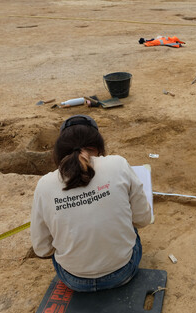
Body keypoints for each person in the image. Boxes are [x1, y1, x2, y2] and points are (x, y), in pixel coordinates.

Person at [30, 115, 152, 292]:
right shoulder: (118, 164)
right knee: (131, 229)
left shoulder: (44, 185)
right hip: (123, 272)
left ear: (60, 150)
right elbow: (143, 220)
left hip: (74, 280)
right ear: (98, 145)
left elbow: (42, 249)